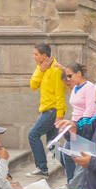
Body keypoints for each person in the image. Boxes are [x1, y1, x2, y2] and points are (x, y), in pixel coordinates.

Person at [28, 42, 65, 177]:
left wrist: (59, 115)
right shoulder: (41, 68)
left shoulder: (56, 69)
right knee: (52, 144)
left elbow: (60, 94)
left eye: (36, 54)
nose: (34, 57)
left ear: (44, 55)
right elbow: (33, 85)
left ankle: (42, 167)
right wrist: (40, 70)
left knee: (33, 135)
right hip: (47, 110)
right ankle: (70, 166)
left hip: (53, 110)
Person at [62, 63, 96, 183]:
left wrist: (82, 126)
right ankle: (71, 182)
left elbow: (90, 109)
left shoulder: (89, 87)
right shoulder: (75, 88)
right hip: (74, 124)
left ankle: (74, 185)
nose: (68, 79)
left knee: (76, 154)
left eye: (70, 76)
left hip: (84, 125)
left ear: (79, 74)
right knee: (67, 154)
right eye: (67, 76)